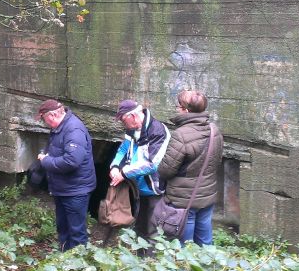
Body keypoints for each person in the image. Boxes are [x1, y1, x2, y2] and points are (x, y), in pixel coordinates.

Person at [158, 90, 224, 245]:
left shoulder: (181, 134)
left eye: (178, 105)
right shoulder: (214, 130)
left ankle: (186, 269)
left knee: (185, 247)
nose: (177, 108)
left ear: (185, 110)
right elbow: (217, 160)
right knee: (205, 243)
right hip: (207, 194)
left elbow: (166, 170)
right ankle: (207, 267)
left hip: (184, 200)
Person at [36, 99, 96, 250]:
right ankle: (64, 260)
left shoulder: (74, 129)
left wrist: (46, 161)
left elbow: (71, 161)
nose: (44, 122)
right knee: (63, 227)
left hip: (76, 190)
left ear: (53, 115)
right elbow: (57, 149)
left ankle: (77, 266)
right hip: (63, 188)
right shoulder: (60, 127)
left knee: (76, 231)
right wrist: (46, 154)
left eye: (44, 118)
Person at [109, 99, 171, 239]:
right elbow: (124, 149)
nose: (123, 124)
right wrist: (115, 166)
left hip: (153, 189)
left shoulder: (158, 131)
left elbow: (151, 164)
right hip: (137, 186)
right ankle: (139, 257)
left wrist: (124, 173)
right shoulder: (131, 129)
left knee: (152, 231)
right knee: (138, 228)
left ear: (134, 116)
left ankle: (150, 259)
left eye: (124, 120)